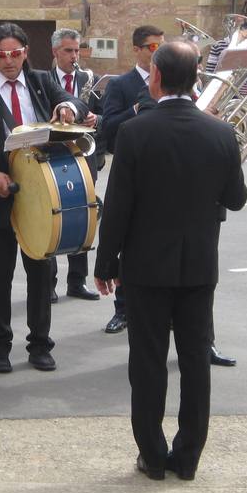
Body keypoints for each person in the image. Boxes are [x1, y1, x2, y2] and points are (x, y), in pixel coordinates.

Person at [93, 42, 247, 482]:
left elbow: (118, 206)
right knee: (195, 360)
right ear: (196, 78)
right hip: (198, 266)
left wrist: (106, 264)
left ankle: (153, 457)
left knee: (147, 362)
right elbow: (235, 200)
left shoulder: (136, 132)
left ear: (156, 77)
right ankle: (189, 458)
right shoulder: (220, 132)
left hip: (145, 268)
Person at [0, 22, 85, 373]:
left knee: (41, 273)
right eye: (1, 55)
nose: (9, 61)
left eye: (15, 53)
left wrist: (69, 108)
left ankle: (40, 344)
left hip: (41, 193)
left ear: (26, 52)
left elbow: (73, 100)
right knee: (0, 275)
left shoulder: (42, 82)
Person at [97, 24, 164, 334]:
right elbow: (107, 126)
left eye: (161, 47)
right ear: (137, 50)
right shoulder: (121, 84)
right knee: (127, 241)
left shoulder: (175, 80)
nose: (157, 52)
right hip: (131, 170)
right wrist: (136, 108)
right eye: (152, 47)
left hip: (165, 170)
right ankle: (123, 309)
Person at [50, 28, 101, 301]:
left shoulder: (87, 78)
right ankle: (49, 283)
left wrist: (95, 119)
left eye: (77, 50)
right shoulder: (43, 80)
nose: (74, 56)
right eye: (68, 50)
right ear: (55, 52)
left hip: (83, 154)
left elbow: (103, 114)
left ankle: (77, 281)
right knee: (52, 216)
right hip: (54, 154)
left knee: (83, 215)